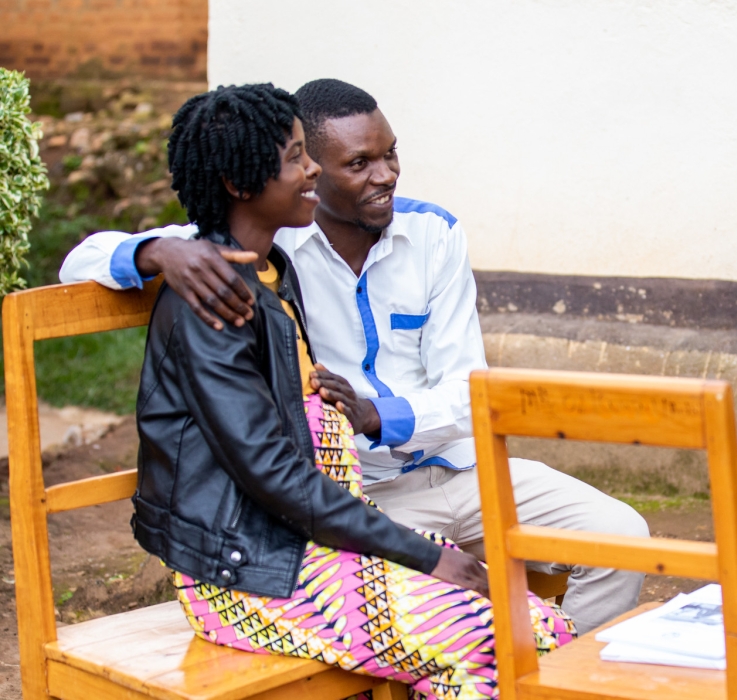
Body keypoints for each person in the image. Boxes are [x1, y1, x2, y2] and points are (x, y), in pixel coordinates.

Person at [59, 78, 647, 634]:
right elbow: (81, 260)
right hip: (356, 495)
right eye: (358, 163)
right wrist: (159, 250)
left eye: (390, 155)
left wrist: (376, 414)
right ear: (305, 171)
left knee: (624, 536)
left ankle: (545, 682)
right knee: (443, 612)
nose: (385, 175)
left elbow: (470, 390)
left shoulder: (433, 235)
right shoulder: (271, 242)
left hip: (462, 470)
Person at [137, 82, 574, 699]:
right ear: (240, 184)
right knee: (508, 635)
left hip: (312, 544)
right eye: (295, 156)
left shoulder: (268, 274)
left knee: (534, 625)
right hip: (248, 577)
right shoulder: (210, 303)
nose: (312, 166)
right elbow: (272, 475)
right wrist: (428, 558)